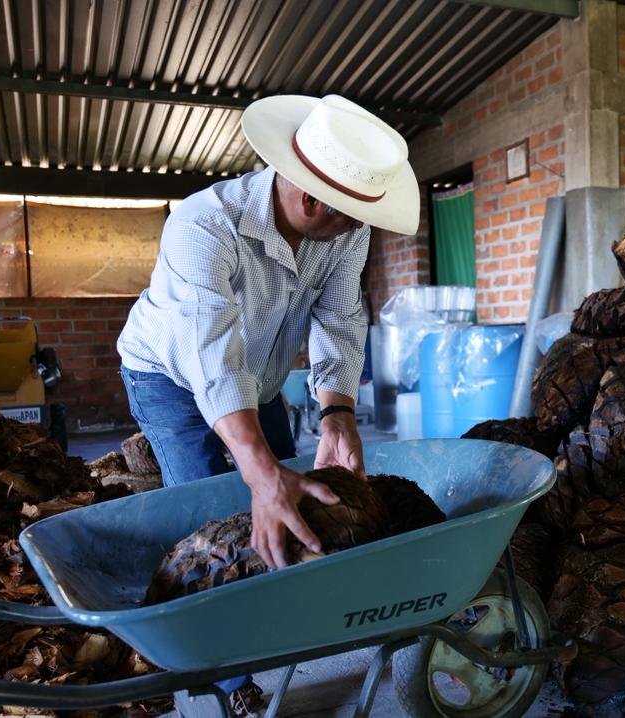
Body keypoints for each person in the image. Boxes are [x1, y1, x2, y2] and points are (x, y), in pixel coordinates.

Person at [116, 94, 418, 711]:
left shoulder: (341, 233)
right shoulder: (204, 225)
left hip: (258, 376)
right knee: (208, 511)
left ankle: (280, 627)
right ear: (311, 199)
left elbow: (338, 320)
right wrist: (258, 474)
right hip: (172, 376)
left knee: (297, 500)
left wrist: (337, 415)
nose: (361, 228)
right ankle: (227, 681)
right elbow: (212, 360)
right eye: (352, 217)